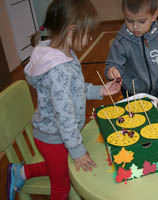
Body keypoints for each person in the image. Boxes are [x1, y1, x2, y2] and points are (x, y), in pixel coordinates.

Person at [7, 0, 121, 200]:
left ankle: (21, 172)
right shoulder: (58, 68)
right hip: (55, 137)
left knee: (57, 166)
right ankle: (25, 172)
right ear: (71, 30)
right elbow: (64, 115)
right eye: (87, 33)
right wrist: (77, 150)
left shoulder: (62, 52)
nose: (90, 37)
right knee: (62, 186)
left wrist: (99, 90)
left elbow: (74, 90)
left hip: (57, 135)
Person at [105, 0, 158, 110]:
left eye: (141, 21)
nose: (134, 27)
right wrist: (111, 71)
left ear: (154, 16)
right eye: (129, 20)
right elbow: (113, 64)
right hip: (132, 93)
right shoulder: (121, 41)